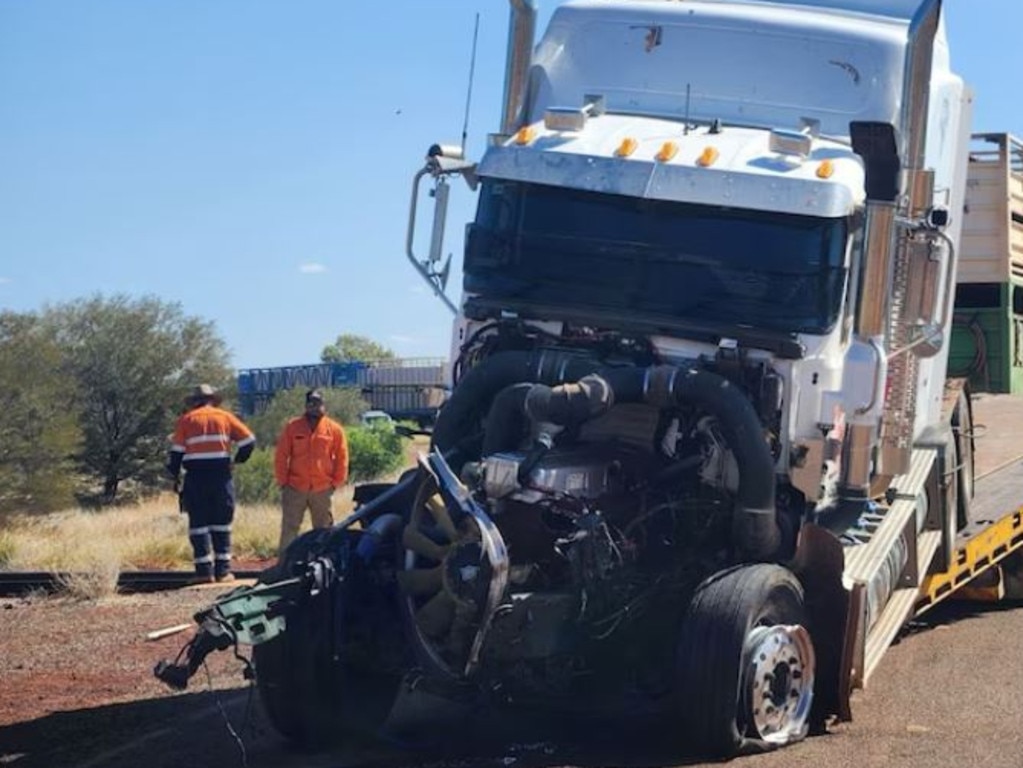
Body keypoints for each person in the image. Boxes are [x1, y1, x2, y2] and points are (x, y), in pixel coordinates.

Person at [167, 384, 256, 583]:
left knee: (199, 524)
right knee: (222, 523)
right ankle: (223, 572)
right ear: (213, 400)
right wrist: (237, 461)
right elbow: (249, 441)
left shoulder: (186, 420)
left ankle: (204, 573)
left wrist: (174, 475)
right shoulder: (225, 417)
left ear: (194, 402)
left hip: (196, 477)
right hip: (221, 477)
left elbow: (176, 453)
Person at [274, 388, 349, 554]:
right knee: (289, 529)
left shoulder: (334, 429)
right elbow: (281, 455)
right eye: (311, 403)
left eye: (318, 403)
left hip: (322, 489)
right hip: (295, 488)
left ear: (324, 405)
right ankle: (284, 567)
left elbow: (342, 457)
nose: (314, 407)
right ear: (306, 405)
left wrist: (335, 483)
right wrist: (283, 482)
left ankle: (324, 563)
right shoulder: (292, 427)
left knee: (324, 531)